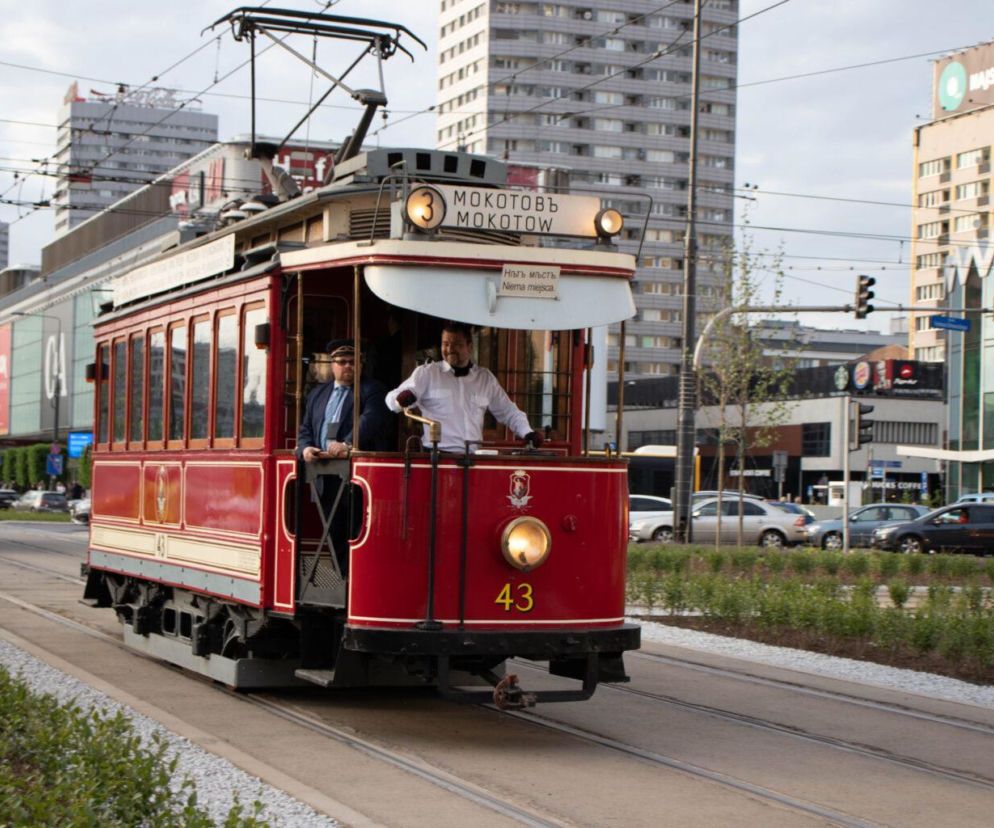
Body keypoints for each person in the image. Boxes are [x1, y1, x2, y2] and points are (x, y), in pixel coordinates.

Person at [298, 339, 391, 577]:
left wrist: (347, 444)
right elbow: (305, 429)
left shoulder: (373, 390)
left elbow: (369, 421)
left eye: (353, 361)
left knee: (355, 530)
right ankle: (344, 578)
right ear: (332, 365)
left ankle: (357, 582)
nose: (348, 366)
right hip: (323, 473)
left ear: (361, 364)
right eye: (342, 362)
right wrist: (306, 449)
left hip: (355, 476)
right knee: (334, 531)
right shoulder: (318, 394)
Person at [385, 321, 542, 453]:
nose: (450, 349)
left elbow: (509, 412)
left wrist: (527, 433)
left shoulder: (485, 378)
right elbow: (391, 400)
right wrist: (402, 398)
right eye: (445, 344)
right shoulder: (427, 374)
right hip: (437, 459)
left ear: (470, 346)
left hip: (473, 459)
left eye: (457, 344)